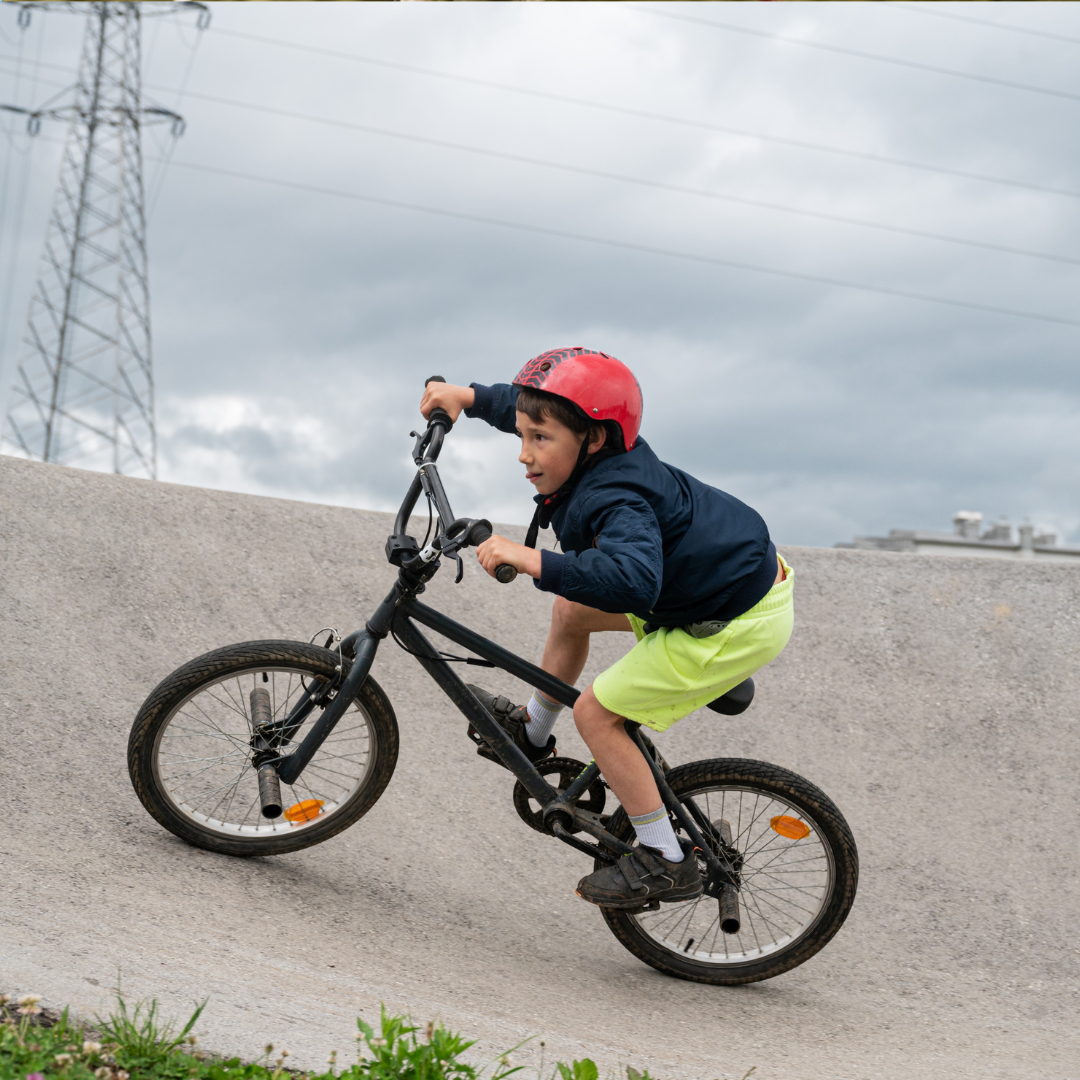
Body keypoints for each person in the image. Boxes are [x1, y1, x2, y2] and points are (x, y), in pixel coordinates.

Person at [419, 347, 793, 909]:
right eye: (522, 434)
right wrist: (467, 397)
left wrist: (533, 559)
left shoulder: (618, 498)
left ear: (593, 439)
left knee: (596, 713)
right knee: (571, 610)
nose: (524, 453)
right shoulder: (603, 446)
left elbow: (632, 581)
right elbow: (531, 407)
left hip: (731, 620)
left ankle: (666, 858)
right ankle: (533, 733)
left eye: (539, 439)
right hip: (707, 587)